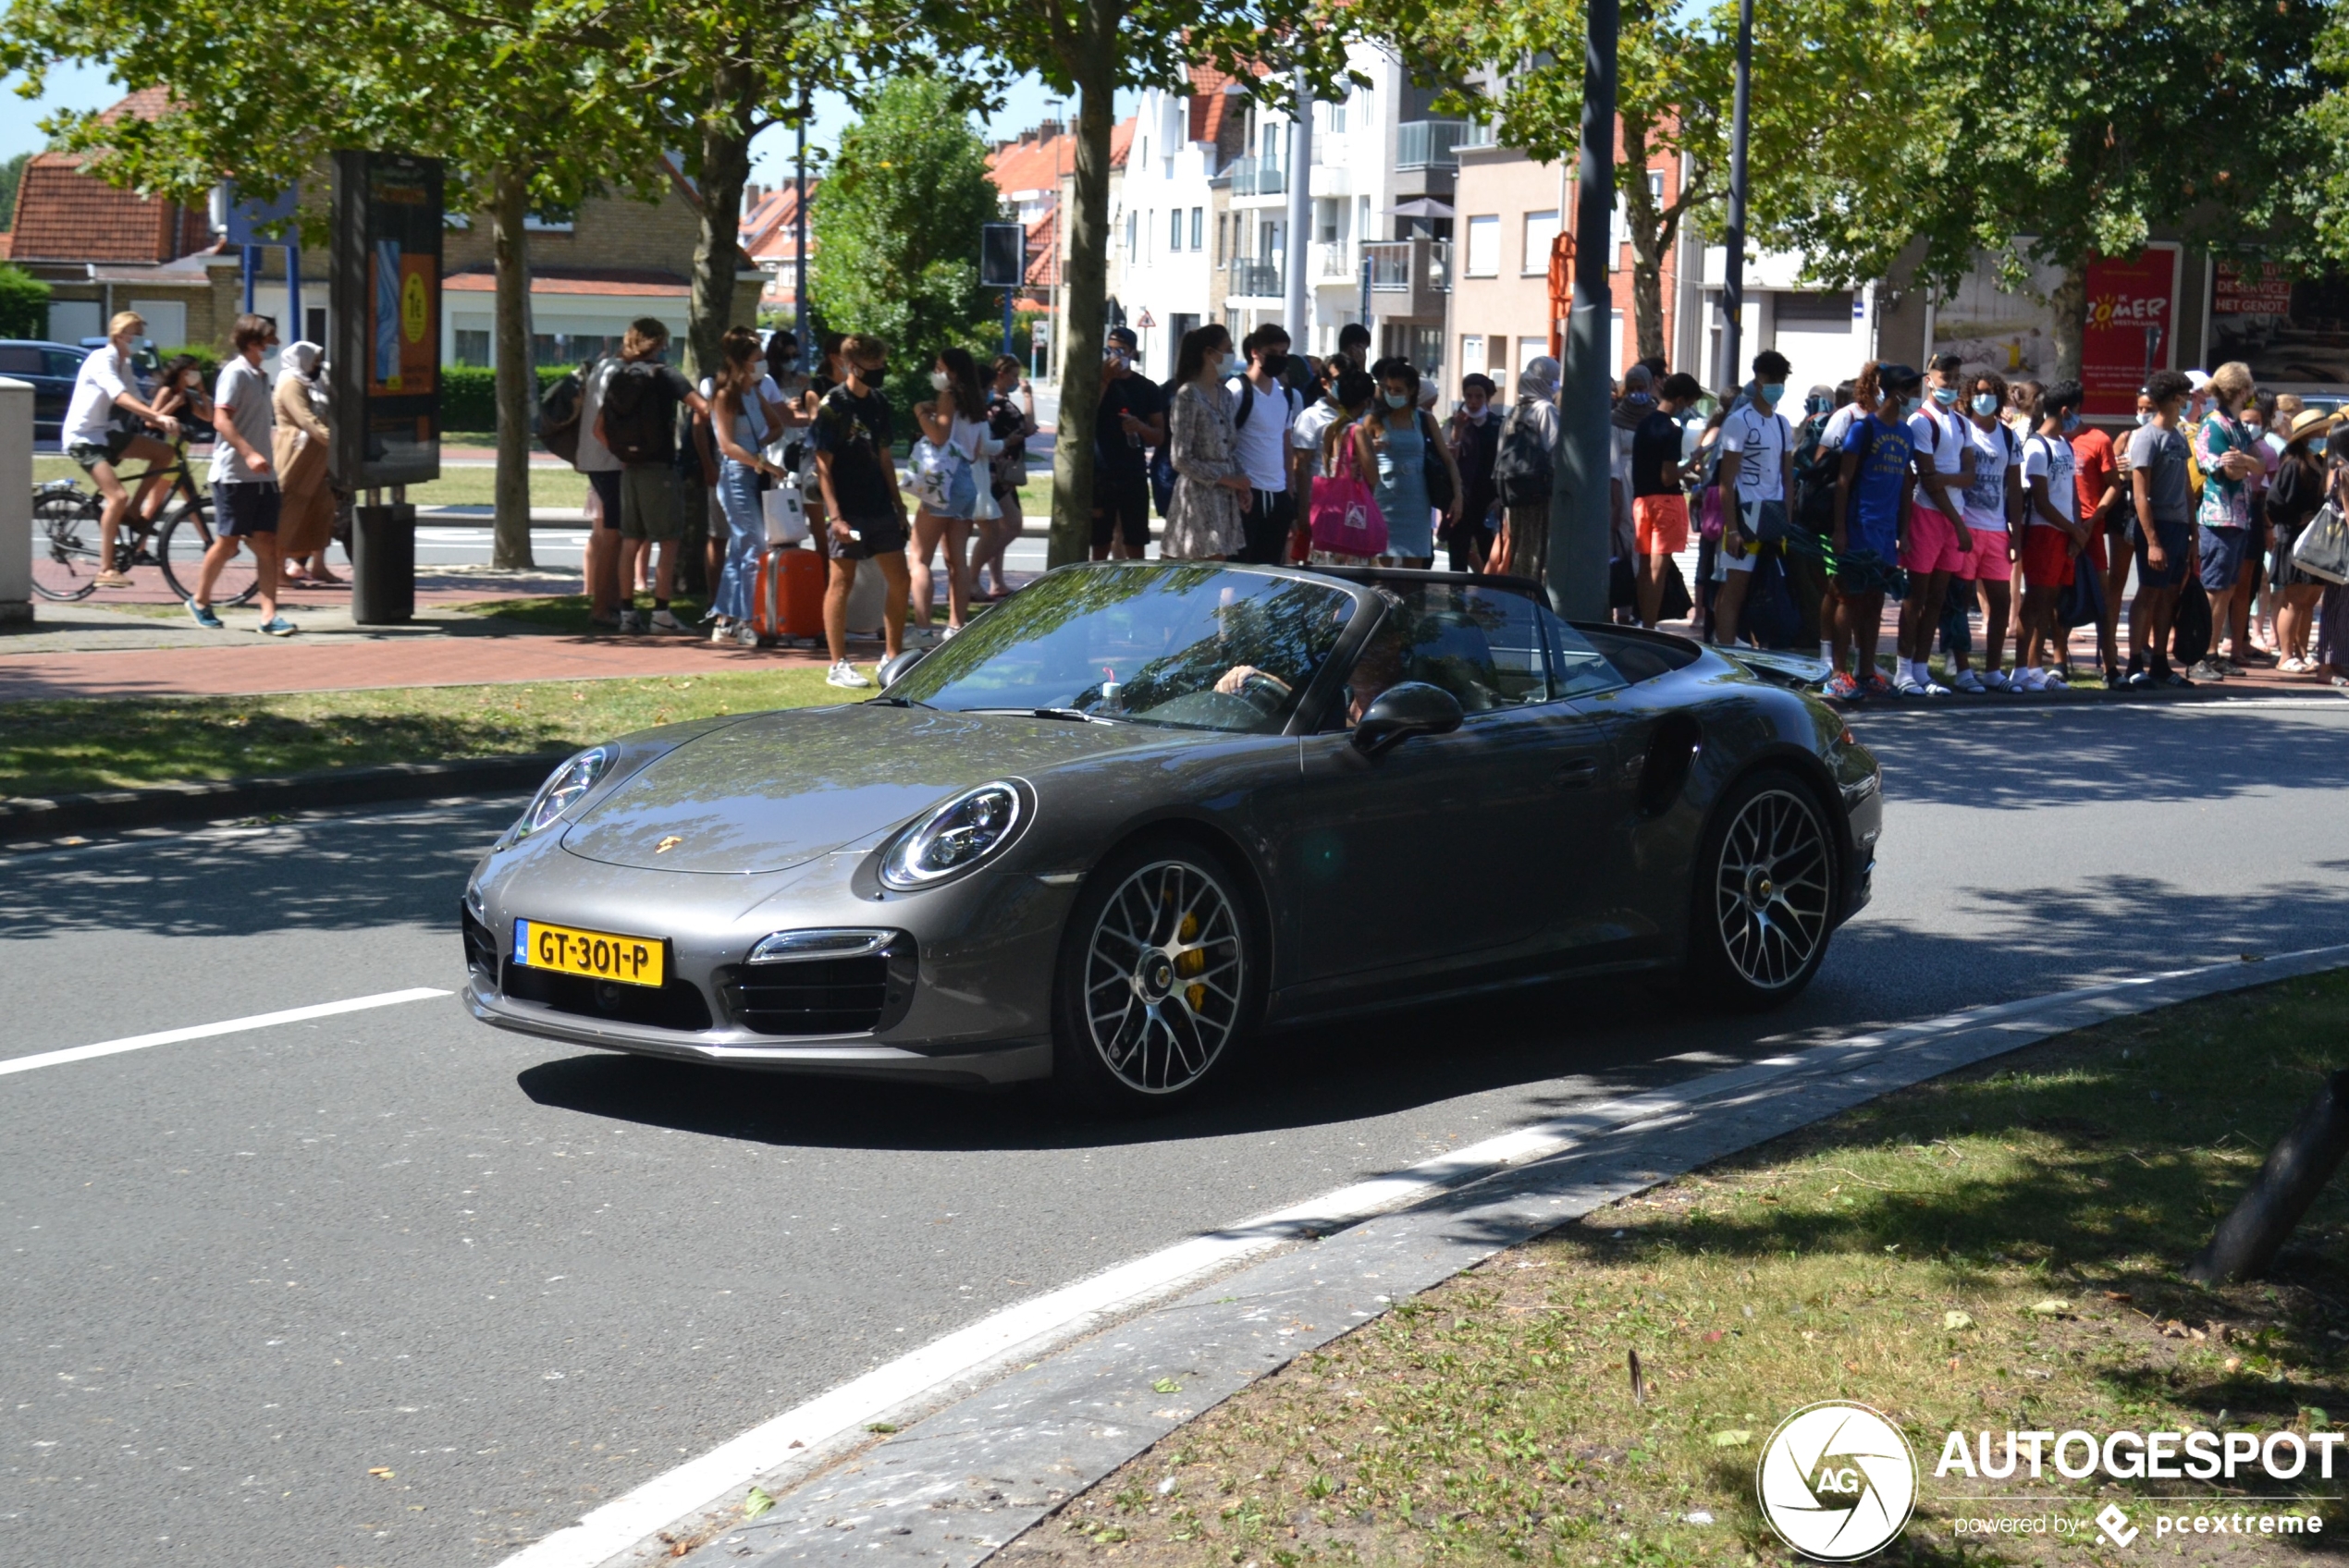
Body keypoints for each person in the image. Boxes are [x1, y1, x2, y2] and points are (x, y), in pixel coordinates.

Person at [590, 318, 707, 634]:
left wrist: (626, 454)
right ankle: (662, 613)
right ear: (657, 343)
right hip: (660, 468)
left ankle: (627, 614)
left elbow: (598, 430)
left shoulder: (620, 376)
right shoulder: (664, 374)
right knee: (668, 541)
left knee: (631, 540)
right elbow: (702, 407)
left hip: (630, 470)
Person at [811, 335, 914, 686]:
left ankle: (892, 657)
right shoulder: (832, 406)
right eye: (874, 367)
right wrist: (835, 517)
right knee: (842, 581)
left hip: (879, 504)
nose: (881, 372)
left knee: (900, 579)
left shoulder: (880, 402)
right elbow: (822, 465)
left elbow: (885, 457)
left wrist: (899, 507)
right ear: (851, 367)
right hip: (848, 507)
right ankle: (838, 663)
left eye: (882, 365)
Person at [190, 313, 294, 635]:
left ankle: (268, 616)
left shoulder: (261, 376)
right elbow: (221, 420)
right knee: (228, 543)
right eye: (271, 339)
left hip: (263, 477)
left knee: (268, 543)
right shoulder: (235, 374)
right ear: (253, 343)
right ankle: (200, 601)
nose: (277, 344)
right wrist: (248, 453)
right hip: (234, 475)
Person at [1825, 361, 1923, 701]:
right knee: (1848, 596)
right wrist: (1840, 529)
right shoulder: (1863, 429)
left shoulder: (1906, 433)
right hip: (1859, 526)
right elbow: (1843, 482)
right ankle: (1838, 673)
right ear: (1895, 391)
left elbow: (1906, 485)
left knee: (1875, 601)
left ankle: (1866, 671)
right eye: (1910, 389)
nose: (1914, 395)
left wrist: (1904, 531)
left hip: (1885, 532)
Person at [66, 312, 181, 588]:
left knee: (165, 453)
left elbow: (140, 405)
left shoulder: (123, 363)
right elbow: (121, 397)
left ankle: (133, 511)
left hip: (107, 433)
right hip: (83, 437)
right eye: (136, 333)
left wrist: (168, 414)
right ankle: (105, 570)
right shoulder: (101, 360)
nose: (141, 339)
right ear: (120, 335)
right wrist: (157, 418)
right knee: (115, 496)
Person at [1892, 351, 1974, 694]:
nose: (1951, 386)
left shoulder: (1961, 422)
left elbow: (1969, 475)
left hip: (1953, 512)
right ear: (1930, 381)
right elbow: (1927, 479)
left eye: (1956, 380)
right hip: (1928, 515)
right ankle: (1902, 670)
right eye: (1945, 379)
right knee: (1916, 598)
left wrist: (1947, 479)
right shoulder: (1921, 422)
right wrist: (1957, 523)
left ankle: (1923, 669)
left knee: (1938, 598)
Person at [706, 327, 786, 647]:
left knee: (741, 549)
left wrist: (760, 448)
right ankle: (746, 620)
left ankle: (726, 620)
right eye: (758, 359)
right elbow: (726, 445)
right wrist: (761, 461)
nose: (763, 365)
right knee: (755, 547)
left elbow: (776, 425)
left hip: (754, 472)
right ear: (742, 361)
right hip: (737, 475)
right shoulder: (725, 394)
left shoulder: (754, 390)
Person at [908, 346, 995, 636]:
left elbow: (939, 435)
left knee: (919, 557)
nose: (936, 372)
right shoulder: (975, 401)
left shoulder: (948, 396)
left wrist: (921, 413)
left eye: (939, 366)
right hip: (966, 483)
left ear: (953, 371)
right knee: (957, 558)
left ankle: (922, 627)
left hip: (943, 482)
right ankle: (956, 626)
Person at [1945, 370, 2023, 692]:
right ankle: (1962, 668)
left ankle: (1993, 670)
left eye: (1990, 392)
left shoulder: (2008, 436)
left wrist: (2016, 533)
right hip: (1964, 525)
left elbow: (2015, 487)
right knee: (1960, 599)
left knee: (2001, 601)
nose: (1984, 397)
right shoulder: (1960, 429)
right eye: (1978, 392)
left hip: (1996, 530)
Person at [1712, 351, 1796, 647]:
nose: (1777, 386)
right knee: (1735, 589)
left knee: (1769, 589)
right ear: (1758, 380)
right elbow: (1726, 480)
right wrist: (1732, 529)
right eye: (1772, 380)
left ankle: (1764, 654)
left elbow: (1787, 477)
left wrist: (1787, 520)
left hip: (1773, 518)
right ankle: (1725, 653)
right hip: (1745, 517)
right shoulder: (1739, 421)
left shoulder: (1784, 424)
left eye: (1781, 380)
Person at [2187, 361, 2262, 680]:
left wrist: (2245, 462)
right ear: (2241, 389)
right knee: (2214, 588)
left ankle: (2214, 651)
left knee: (2228, 588)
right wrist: (2245, 464)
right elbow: (2225, 469)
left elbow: (2255, 467)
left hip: (2239, 516)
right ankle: (2199, 653)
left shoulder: (2238, 427)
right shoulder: (2213, 425)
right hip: (2218, 518)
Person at [2015, 380, 2090, 691]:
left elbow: (2070, 492)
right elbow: (2041, 501)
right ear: (2064, 410)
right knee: (2034, 600)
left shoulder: (2066, 445)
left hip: (2064, 533)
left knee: (2050, 602)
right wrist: (2072, 528)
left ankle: (2035, 668)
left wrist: (2077, 530)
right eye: (2077, 411)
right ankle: (2020, 668)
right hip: (2043, 532)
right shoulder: (2036, 446)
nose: (2079, 418)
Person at [2126, 367, 2198, 688]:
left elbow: (2185, 486)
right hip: (2156, 524)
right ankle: (2132, 664)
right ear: (2174, 398)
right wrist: (2153, 541)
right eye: (2184, 396)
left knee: (2169, 594)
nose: (2187, 401)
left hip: (2179, 525)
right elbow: (2140, 495)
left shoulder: (2179, 435)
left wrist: (2193, 531)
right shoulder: (2146, 438)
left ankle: (2159, 662)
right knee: (2148, 592)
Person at [1353, 357, 1459, 570]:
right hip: (1383, 499)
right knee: (1381, 567)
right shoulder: (1373, 420)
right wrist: (1369, 448)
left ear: (1411, 391)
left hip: (1417, 501)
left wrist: (1458, 496)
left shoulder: (1424, 419)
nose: (1392, 394)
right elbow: (1356, 459)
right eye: (1388, 389)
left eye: (1398, 389)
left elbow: (1448, 460)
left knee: (1414, 570)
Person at [1162, 324, 1250, 560]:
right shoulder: (1189, 395)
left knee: (1219, 576)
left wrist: (1242, 484)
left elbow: (1230, 448)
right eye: (1227, 349)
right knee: (1191, 581)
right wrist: (1226, 479)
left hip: (1225, 499)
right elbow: (1181, 458)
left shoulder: (1225, 395)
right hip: (1197, 498)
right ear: (1209, 353)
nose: (1231, 355)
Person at [1228, 325, 1303, 565]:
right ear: (1255, 353)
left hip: (1278, 494)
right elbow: (1224, 442)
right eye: (1272, 351)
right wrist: (1237, 485)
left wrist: (1289, 498)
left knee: (1269, 570)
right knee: (1238, 569)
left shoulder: (1284, 396)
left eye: (1284, 353)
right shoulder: (1237, 390)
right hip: (1248, 493)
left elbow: (1286, 446)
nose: (1279, 358)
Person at [1630, 372, 1702, 626]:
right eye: (1690, 403)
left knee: (1644, 565)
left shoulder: (1644, 423)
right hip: (1666, 502)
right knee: (1658, 569)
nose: (1689, 409)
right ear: (1681, 399)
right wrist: (1692, 462)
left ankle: (1641, 618)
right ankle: (1651, 623)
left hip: (1642, 501)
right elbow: (1668, 476)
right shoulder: (1672, 428)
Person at [2267, 407, 2331, 674]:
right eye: (2318, 432)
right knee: (2293, 600)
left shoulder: (2318, 463)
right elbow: (2275, 502)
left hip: (2316, 541)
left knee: (2308, 601)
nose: (2323, 436)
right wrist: (2296, 520)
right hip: (2295, 540)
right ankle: (2285, 655)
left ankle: (2303, 652)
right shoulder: (2293, 465)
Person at [2064, 393, 2123, 685]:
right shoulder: (2053, 439)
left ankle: (2110, 666)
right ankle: (2058, 663)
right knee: (2060, 597)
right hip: (2062, 527)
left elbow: (2114, 486)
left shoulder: (2098, 439)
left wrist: (2094, 518)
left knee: (2103, 599)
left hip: (2092, 530)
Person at [1092, 325, 1164, 560]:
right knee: (1100, 541)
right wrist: (1104, 379)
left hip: (1132, 472)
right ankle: (1097, 588)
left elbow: (1159, 436)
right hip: (1101, 473)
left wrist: (1140, 427)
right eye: (1109, 350)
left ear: (1132, 353)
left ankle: (1134, 589)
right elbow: (1086, 416)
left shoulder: (1146, 388)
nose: (1114, 356)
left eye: (1120, 350)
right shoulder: (1098, 381)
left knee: (1135, 540)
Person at [271, 341, 338, 587]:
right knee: (289, 511)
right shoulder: (291, 383)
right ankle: (277, 570)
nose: (318, 366)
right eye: (314, 361)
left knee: (322, 506)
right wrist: (338, 443)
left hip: (314, 455)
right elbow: (306, 420)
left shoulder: (306, 383)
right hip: (296, 453)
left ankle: (316, 566)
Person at [1489, 358, 1561, 581]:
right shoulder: (1546, 410)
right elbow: (1556, 454)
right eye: (1554, 380)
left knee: (1518, 551)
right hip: (1539, 496)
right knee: (1538, 554)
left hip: (1514, 495)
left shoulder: (1514, 412)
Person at [974, 355, 1036, 597]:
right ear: (1001, 375)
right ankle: (971, 574)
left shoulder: (995, 404)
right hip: (998, 475)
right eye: (1013, 375)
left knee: (1000, 529)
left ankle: (996, 582)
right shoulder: (1000, 407)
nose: (1016, 381)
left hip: (1000, 473)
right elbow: (1028, 428)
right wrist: (1028, 395)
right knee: (1012, 526)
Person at [1445, 373, 1502, 573]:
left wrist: (1499, 498)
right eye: (1468, 396)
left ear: (1487, 397)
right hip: (1461, 499)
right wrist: (1457, 430)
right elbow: (1449, 458)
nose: (1473, 401)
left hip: (1488, 500)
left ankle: (1491, 600)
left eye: (1478, 396)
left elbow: (1502, 463)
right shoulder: (1455, 423)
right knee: (1458, 555)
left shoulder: (1497, 425)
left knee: (1490, 554)